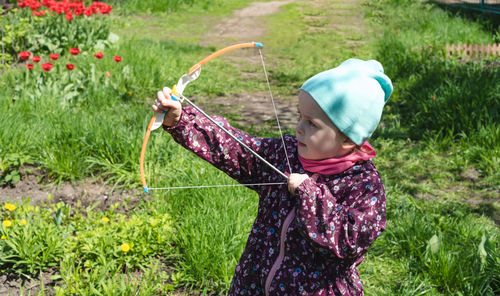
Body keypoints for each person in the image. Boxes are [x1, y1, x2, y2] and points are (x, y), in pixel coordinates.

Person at [152, 58, 393, 296]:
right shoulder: (286, 154)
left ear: (348, 138)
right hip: (254, 281)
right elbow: (237, 148)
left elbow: (349, 240)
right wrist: (183, 120)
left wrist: (309, 195)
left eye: (312, 124)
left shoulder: (364, 186)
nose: (299, 127)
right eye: (300, 116)